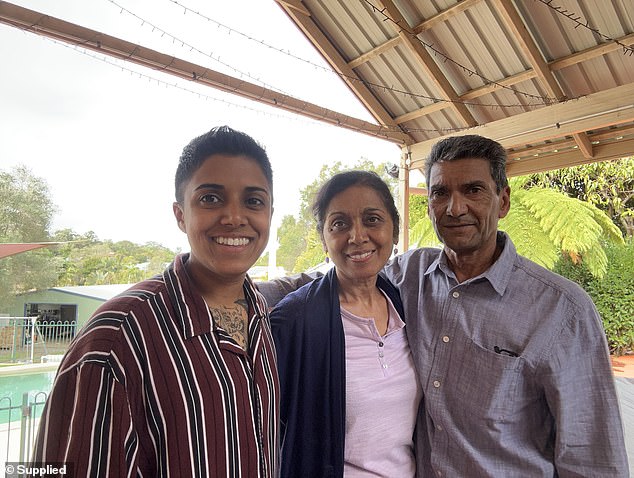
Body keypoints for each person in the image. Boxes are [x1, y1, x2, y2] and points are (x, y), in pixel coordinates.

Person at [259, 135, 629, 477]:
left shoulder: (561, 311)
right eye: (440, 193)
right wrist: (227, 289)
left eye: (473, 190)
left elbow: (592, 455)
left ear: (503, 201)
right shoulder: (408, 275)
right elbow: (316, 283)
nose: (455, 207)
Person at [33, 126, 279, 477]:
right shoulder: (116, 338)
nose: (235, 217)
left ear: (270, 213)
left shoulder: (262, 317)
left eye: (254, 201)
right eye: (210, 198)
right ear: (181, 215)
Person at [270, 171, 421, 477]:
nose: (357, 236)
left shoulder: (408, 307)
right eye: (339, 224)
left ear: (394, 231)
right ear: (324, 240)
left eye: (372, 219)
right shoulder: (295, 321)